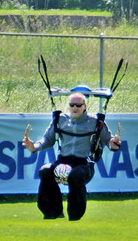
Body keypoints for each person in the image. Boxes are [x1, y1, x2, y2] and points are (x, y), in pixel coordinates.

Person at [22, 91, 120, 221]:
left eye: (78, 105)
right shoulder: (60, 120)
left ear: (85, 106)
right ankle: (53, 212)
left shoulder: (96, 122)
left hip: (84, 163)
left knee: (76, 175)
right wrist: (34, 147)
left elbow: (109, 141)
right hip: (63, 161)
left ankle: (75, 216)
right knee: (45, 171)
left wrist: (114, 144)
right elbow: (47, 139)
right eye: (72, 105)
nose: (75, 108)